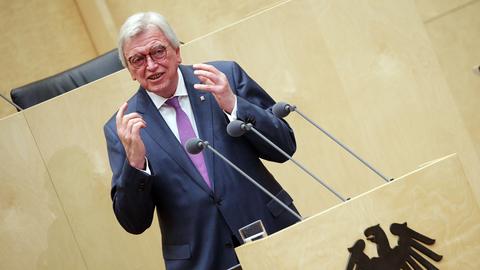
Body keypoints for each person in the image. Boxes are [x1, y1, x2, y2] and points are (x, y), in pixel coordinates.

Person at [104, 11, 300, 270]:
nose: (150, 66)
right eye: (137, 59)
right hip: (201, 260)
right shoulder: (123, 128)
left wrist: (234, 105)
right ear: (129, 70)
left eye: (158, 52)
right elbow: (134, 222)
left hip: (273, 231)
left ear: (177, 51)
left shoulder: (222, 77)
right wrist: (136, 164)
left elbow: (284, 146)